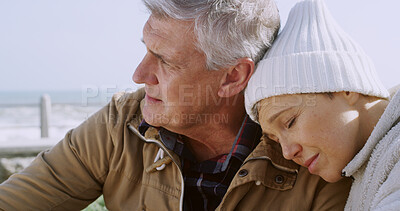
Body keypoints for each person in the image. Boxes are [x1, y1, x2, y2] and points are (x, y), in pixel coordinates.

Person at [0, 0, 351, 210]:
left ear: (232, 76)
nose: (139, 75)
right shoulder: (120, 124)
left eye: (165, 61)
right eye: (146, 50)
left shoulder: (312, 157)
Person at [245, 0, 400, 210]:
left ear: (347, 87)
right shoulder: (365, 171)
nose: (288, 153)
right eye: (276, 139)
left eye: (289, 122)